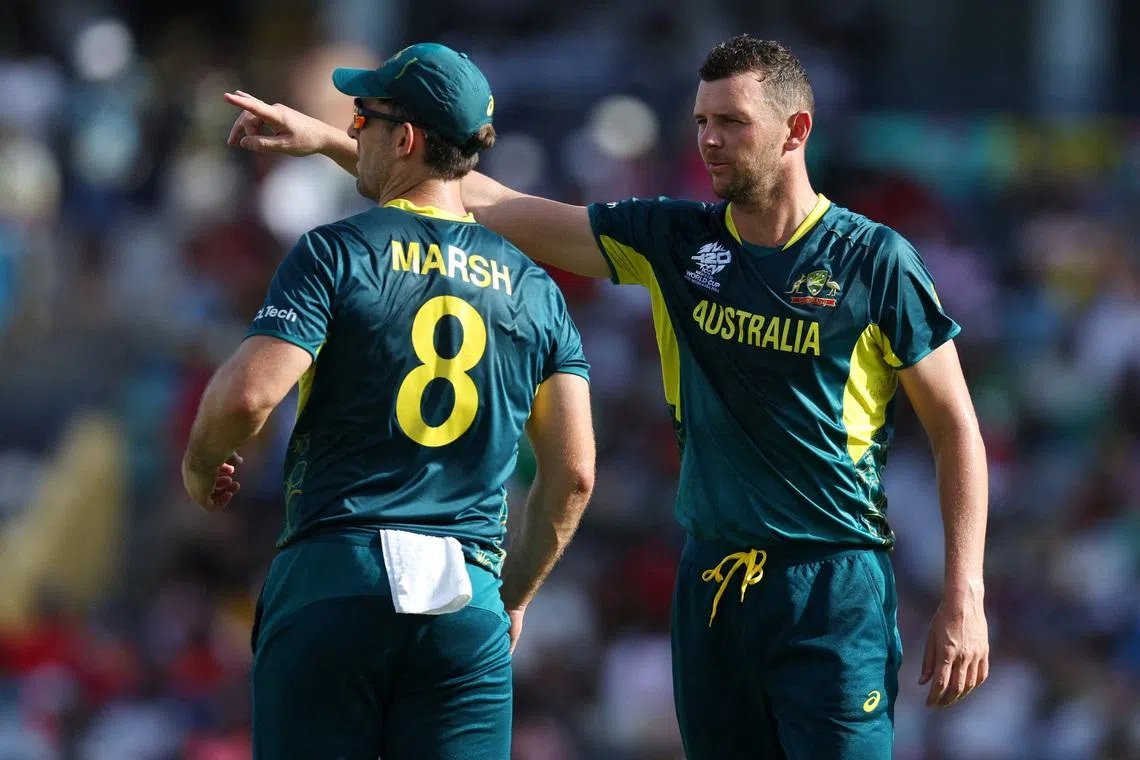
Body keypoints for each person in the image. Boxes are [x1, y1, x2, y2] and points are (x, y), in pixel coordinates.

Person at [226, 34, 989, 760]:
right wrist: (329, 141)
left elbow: (955, 427)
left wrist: (964, 591)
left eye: (731, 122)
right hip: (712, 583)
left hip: (831, 583)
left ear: (796, 130)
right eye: (700, 121)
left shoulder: (873, 261)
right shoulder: (678, 241)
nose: (709, 140)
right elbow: (485, 201)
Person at [184, 42, 595, 760]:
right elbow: (575, 474)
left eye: (361, 119)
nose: (352, 134)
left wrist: (200, 466)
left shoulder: (335, 252)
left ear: (404, 139)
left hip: (336, 575)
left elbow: (247, 397)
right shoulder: (538, 291)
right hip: (465, 600)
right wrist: (513, 595)